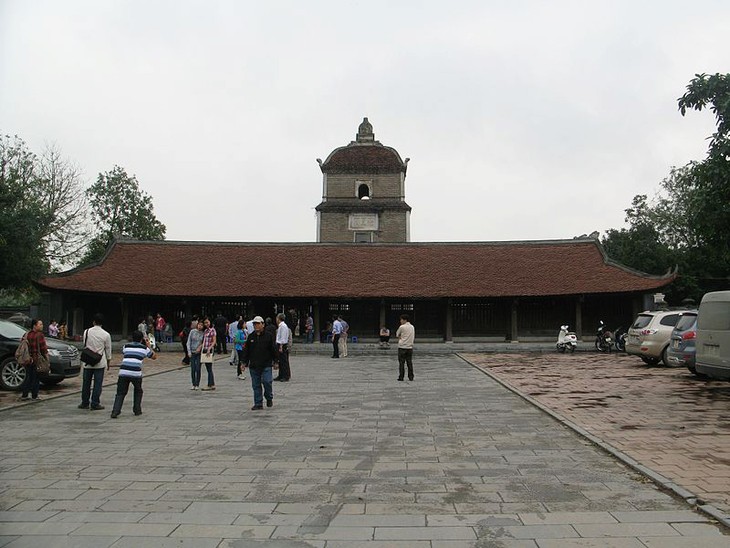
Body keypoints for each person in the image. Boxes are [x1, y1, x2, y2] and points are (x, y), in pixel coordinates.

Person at [111, 330, 156, 418]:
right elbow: (154, 357)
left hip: (123, 371)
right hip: (136, 373)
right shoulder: (144, 348)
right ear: (141, 339)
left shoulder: (126, 346)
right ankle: (137, 410)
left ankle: (115, 411)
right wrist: (149, 347)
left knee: (120, 392)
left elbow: (124, 353)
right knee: (138, 390)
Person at [241, 316, 277, 410]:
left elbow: (273, 349)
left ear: (263, 324)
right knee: (256, 385)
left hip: (266, 364)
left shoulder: (268, 336)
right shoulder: (251, 336)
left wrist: (276, 361)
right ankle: (258, 403)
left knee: (267, 381)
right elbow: (246, 351)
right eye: (254, 324)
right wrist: (243, 362)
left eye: (258, 324)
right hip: (254, 365)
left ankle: (269, 397)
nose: (256, 326)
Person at [79, 313, 112, 410]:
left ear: (93, 322)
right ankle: (95, 402)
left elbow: (84, 344)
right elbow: (108, 350)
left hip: (87, 361)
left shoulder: (87, 331)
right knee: (98, 383)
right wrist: (108, 361)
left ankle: (84, 402)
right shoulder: (106, 334)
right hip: (99, 361)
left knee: (86, 383)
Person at [20, 319, 48, 401]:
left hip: (28, 359)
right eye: (40, 324)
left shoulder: (26, 334)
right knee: (36, 378)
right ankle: (34, 395)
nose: (42, 326)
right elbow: (44, 349)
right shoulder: (40, 335)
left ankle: (24, 395)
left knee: (28, 376)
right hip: (37, 359)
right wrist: (47, 359)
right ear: (35, 325)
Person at [396, 314, 415, 382]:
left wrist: (401, 338)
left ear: (405, 320)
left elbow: (397, 334)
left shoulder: (402, 327)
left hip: (402, 346)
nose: (400, 321)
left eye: (401, 319)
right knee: (409, 362)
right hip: (409, 347)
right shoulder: (412, 327)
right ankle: (411, 376)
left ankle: (401, 377)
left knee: (401, 363)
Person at [186, 319, 204, 390]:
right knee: (193, 368)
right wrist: (189, 352)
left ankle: (197, 384)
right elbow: (188, 342)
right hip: (192, 352)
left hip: (199, 353)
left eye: (202, 325)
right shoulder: (192, 331)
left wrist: (200, 347)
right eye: (199, 324)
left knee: (198, 368)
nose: (200, 326)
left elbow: (204, 342)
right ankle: (193, 383)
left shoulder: (203, 333)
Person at [201, 317, 217, 391]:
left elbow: (214, 341)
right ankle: (212, 383)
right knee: (208, 368)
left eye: (207, 322)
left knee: (209, 368)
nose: (206, 324)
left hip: (209, 350)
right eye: (205, 323)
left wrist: (209, 348)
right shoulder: (205, 331)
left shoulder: (212, 330)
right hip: (204, 349)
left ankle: (210, 384)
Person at [274, 313, 291, 382]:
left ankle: (286, 375)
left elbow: (283, 337)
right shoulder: (280, 326)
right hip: (279, 344)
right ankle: (281, 375)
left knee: (284, 361)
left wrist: (281, 346)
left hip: (282, 344)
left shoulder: (283, 326)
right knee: (280, 361)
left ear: (279, 318)